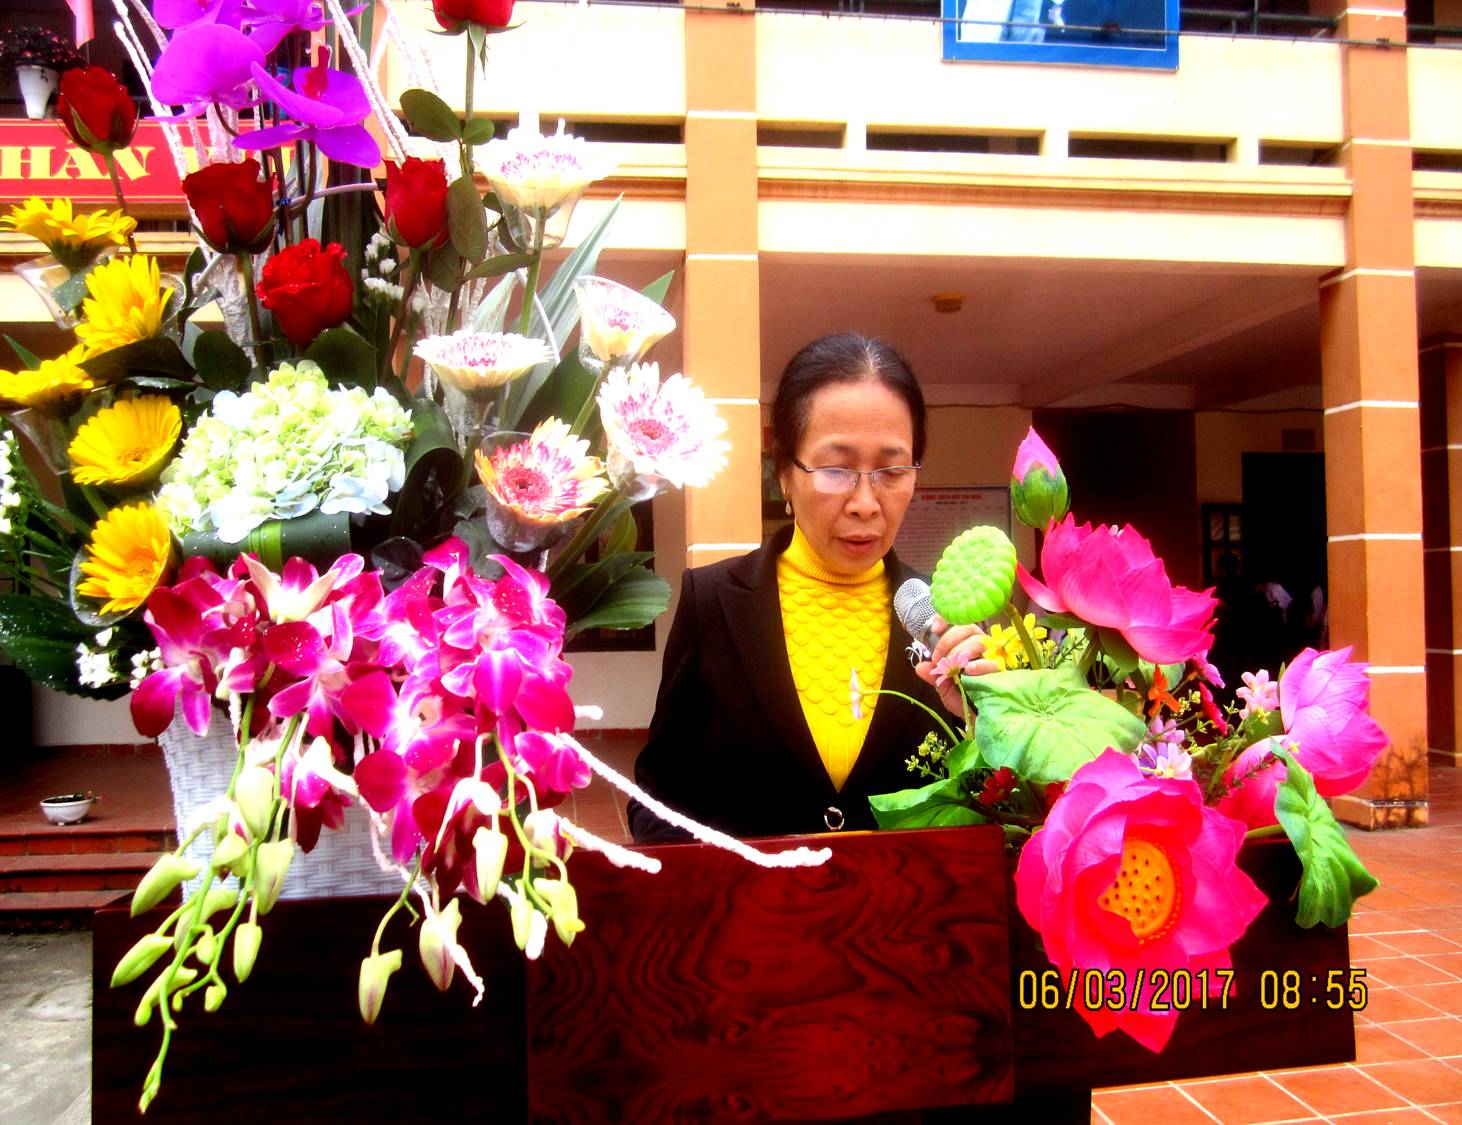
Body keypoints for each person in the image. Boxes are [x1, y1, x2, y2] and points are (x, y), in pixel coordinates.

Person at [628, 332, 989, 843]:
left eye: (891, 470)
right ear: (784, 474)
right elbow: (659, 800)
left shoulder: (947, 620)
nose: (866, 503)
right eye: (836, 469)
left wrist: (990, 722)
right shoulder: (712, 603)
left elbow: (994, 808)